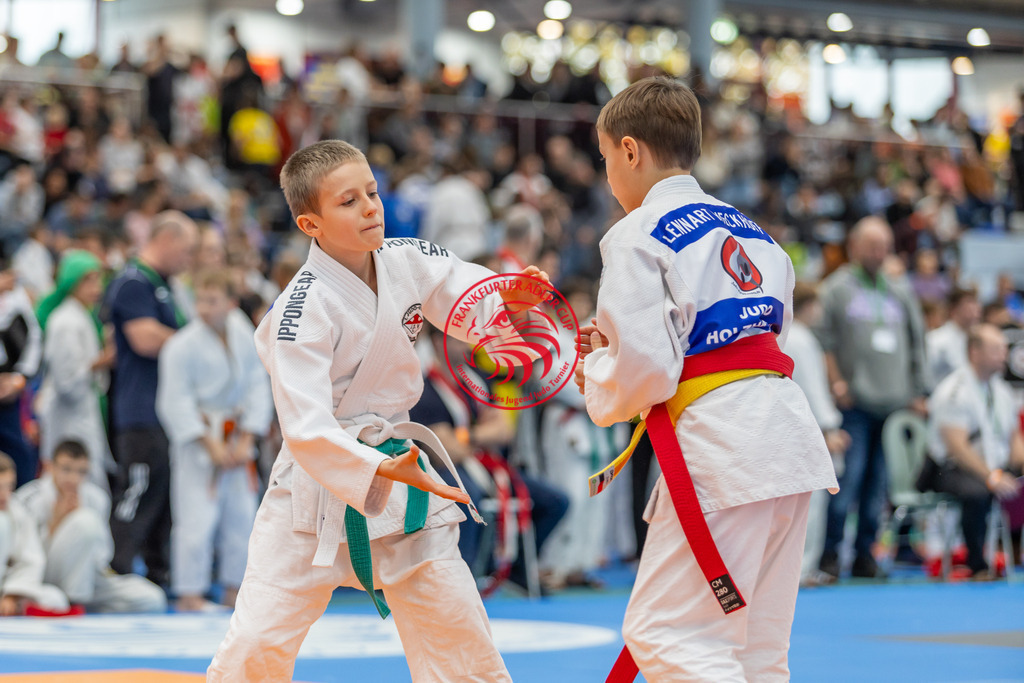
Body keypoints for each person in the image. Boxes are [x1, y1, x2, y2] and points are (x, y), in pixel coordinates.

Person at [209, 140, 552, 682]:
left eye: (372, 192)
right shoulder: (300, 310)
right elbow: (305, 427)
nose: (371, 207)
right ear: (310, 224)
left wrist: (506, 299)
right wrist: (377, 467)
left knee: (455, 624)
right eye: (348, 201)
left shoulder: (405, 258)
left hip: (402, 469)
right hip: (317, 482)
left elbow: (460, 289)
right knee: (257, 639)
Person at [576, 77, 837, 682]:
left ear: (630, 150)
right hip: (786, 437)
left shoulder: (636, 233)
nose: (607, 174)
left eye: (606, 157)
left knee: (670, 635)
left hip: (724, 448)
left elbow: (645, 371)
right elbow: (762, 339)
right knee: (756, 648)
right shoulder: (754, 231)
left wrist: (598, 370)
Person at [816, 216, 929, 580]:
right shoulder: (836, 289)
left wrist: (918, 389)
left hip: (894, 403)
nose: (880, 253)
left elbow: (917, 340)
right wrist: (836, 383)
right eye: (872, 246)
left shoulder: (899, 289)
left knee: (878, 487)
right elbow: (823, 342)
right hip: (854, 404)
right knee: (847, 481)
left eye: (884, 247)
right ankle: (830, 555)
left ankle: (865, 556)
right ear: (855, 247)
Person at [156, 269, 273, 612]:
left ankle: (235, 590)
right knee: (196, 518)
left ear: (231, 303)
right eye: (200, 301)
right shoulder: (181, 345)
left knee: (242, 516)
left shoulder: (242, 331)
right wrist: (211, 445)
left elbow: (257, 384)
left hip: (237, 437)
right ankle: (190, 594)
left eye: (213, 301)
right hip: (199, 443)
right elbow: (174, 402)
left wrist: (247, 438)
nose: (204, 309)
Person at [104, 210, 198, 587]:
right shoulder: (133, 282)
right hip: (140, 409)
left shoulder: (162, 284)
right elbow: (144, 339)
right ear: (167, 240)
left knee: (162, 494)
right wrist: (198, 345)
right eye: (186, 250)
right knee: (138, 489)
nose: (188, 259)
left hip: (163, 409)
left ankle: (159, 575)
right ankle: (117, 570)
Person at [13, 440, 166, 612]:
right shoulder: (29, 498)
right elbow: (25, 557)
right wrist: (56, 523)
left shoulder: (97, 498)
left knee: (151, 599)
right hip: (43, 578)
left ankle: (78, 602)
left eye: (81, 471)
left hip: (87, 580)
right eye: (66, 469)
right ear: (50, 467)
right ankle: (73, 603)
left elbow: (103, 555)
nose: (73, 478)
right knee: (55, 600)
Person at [926, 324, 1024, 578]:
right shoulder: (954, 391)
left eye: (1004, 349)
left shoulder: (1001, 390)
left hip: (992, 463)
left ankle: (1015, 551)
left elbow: (1014, 438)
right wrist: (991, 477)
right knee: (978, 490)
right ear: (974, 352)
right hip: (949, 468)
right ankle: (977, 564)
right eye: (995, 349)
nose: (1003, 355)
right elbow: (957, 447)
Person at [784, 283, 850, 587]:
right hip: (809, 430)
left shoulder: (781, 334)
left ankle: (791, 571)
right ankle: (803, 569)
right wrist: (829, 427)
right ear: (809, 305)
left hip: (787, 430)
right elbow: (812, 388)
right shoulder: (802, 338)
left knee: (791, 504)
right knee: (812, 502)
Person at [35, 250, 115, 492]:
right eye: (87, 280)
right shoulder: (65, 322)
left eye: (98, 279)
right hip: (68, 417)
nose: (95, 287)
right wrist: (102, 361)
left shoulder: (85, 316)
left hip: (85, 411)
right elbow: (66, 381)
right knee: (71, 479)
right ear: (71, 282)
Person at [0, 451, 69, 616]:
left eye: (9, 486)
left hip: (6, 586)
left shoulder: (17, 511)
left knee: (56, 599)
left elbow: (31, 559)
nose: (4, 495)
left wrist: (12, 594)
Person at [927, 287, 981, 386]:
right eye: (969, 304)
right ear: (953, 309)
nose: (976, 309)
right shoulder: (936, 339)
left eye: (976, 303)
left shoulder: (976, 340)